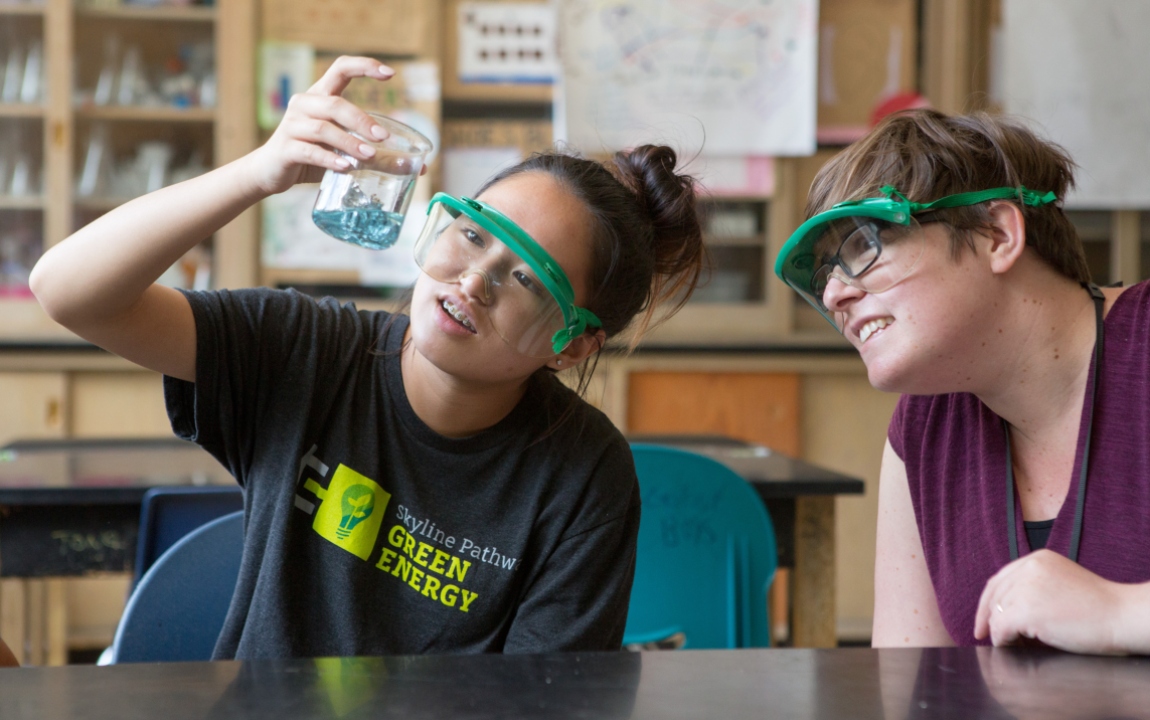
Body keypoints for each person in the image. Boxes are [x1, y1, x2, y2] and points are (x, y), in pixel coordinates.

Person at [29, 56, 705, 659]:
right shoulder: (306, 350)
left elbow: (544, 703)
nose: (472, 281)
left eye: (528, 279)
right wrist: (257, 174)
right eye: (471, 235)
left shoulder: (585, 474)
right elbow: (68, 291)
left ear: (575, 345)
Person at [774, 109, 1150, 654]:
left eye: (865, 245)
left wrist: (1119, 614)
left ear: (997, 234)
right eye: (826, 273)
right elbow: (906, 684)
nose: (834, 295)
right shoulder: (923, 426)